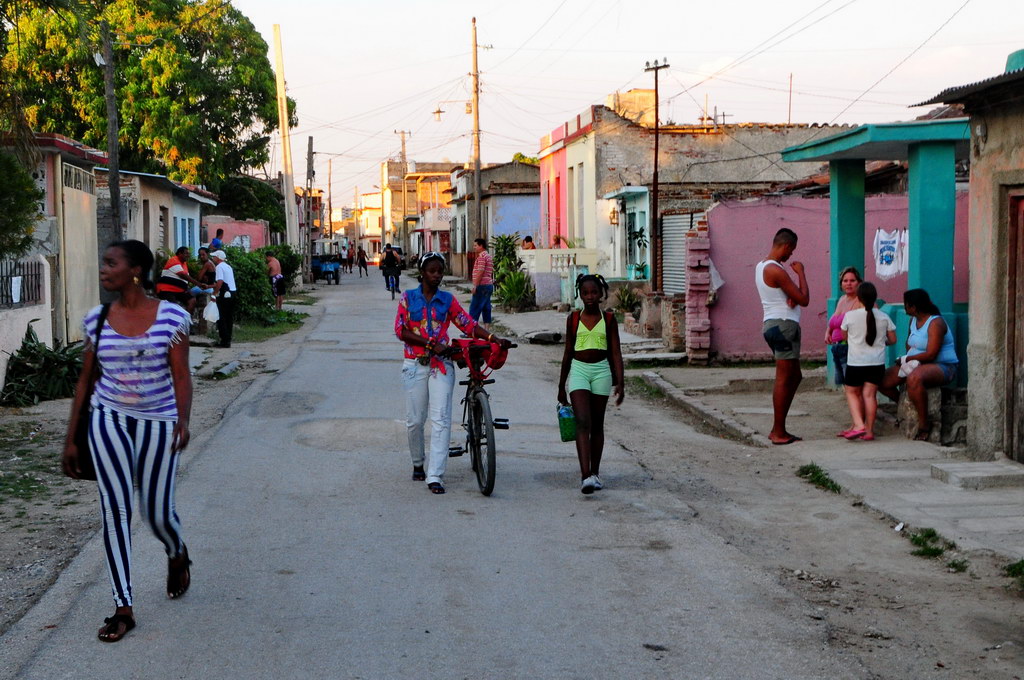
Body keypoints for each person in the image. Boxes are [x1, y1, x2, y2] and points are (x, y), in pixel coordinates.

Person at [62, 240, 193, 643]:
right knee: (114, 511)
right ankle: (123, 606)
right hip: (108, 420)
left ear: (135, 270)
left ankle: (176, 551)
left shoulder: (171, 317)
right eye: (104, 262)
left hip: (158, 421)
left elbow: (182, 376)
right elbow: (86, 381)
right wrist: (71, 439)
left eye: (111, 262)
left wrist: (183, 420)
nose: (104, 269)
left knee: (156, 514)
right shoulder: (96, 320)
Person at [394, 252, 511, 494]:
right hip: (414, 364)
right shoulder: (407, 298)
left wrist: (492, 337)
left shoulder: (447, 300)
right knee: (415, 421)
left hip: (442, 364)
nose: (437, 275)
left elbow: (467, 323)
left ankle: (435, 475)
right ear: (422, 273)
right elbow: (401, 330)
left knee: (441, 418)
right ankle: (418, 463)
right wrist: (429, 344)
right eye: (432, 271)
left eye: (440, 271)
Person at [557, 274, 625, 494]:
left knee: (596, 424)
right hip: (579, 371)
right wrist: (561, 386)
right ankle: (585, 475)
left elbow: (615, 352)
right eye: (585, 293)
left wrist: (621, 382)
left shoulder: (609, 320)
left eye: (594, 292)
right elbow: (568, 352)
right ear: (580, 294)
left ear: (601, 294)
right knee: (582, 421)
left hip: (601, 372)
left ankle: (595, 473)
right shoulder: (574, 319)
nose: (589, 297)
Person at [879, 288, 959, 441]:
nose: (905, 307)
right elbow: (909, 344)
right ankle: (902, 405)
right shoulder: (913, 320)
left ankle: (924, 423)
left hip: (943, 366)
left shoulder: (936, 323)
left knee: (914, 378)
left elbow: (931, 354)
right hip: (917, 362)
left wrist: (908, 360)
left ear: (913, 307)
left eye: (906, 305)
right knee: (881, 381)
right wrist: (910, 358)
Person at [755, 228, 809, 445]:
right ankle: (778, 432)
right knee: (784, 379)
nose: (791, 256)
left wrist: (792, 297)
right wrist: (801, 273)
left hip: (772, 324)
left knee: (795, 376)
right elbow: (804, 298)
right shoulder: (776, 270)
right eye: (791, 250)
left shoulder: (761, 266)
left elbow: (789, 296)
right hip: (784, 326)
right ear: (786, 246)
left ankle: (779, 428)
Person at [840, 282, 896, 441]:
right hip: (876, 363)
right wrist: (880, 342)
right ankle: (869, 431)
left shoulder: (850, 316)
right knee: (869, 395)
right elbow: (892, 340)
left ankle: (859, 425)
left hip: (856, 363)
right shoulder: (884, 316)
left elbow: (844, 337)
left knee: (851, 392)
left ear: (858, 298)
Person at [825, 266, 864, 433]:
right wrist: (827, 332)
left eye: (852, 280)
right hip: (837, 349)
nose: (848, 284)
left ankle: (860, 424)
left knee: (855, 389)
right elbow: (834, 321)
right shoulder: (842, 300)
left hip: (850, 349)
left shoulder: (860, 302)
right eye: (845, 281)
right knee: (847, 389)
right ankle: (855, 423)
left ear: (859, 282)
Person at [156, 246, 203, 315]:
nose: (188, 255)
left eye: (189, 254)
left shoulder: (184, 264)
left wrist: (187, 288)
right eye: (186, 253)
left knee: (192, 301)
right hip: (166, 290)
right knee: (173, 306)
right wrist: (198, 284)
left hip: (179, 291)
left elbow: (184, 280)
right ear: (180, 254)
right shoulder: (173, 260)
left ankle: (185, 321)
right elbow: (182, 275)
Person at [210, 250, 236, 348]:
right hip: (232, 292)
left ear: (218, 258)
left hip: (225, 293)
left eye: (214, 257)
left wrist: (214, 293)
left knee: (222, 317)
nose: (213, 258)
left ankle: (224, 340)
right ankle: (228, 338)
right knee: (229, 317)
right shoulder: (228, 266)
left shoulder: (219, 267)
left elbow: (220, 281)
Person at [469, 238, 494, 329]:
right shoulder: (488, 256)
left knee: (475, 307)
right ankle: (486, 329)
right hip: (488, 285)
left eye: (476, 245)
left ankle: (471, 330)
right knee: (486, 307)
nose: (474, 247)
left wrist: (475, 285)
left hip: (482, 285)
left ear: (481, 246)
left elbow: (480, 271)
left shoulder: (482, 257)